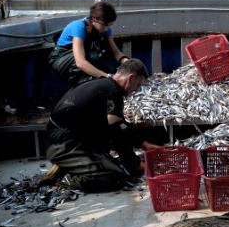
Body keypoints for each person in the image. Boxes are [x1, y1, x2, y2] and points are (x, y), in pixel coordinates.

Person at [40, 58, 161, 192]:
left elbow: (116, 127)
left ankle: (75, 164)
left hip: (59, 137)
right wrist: (136, 161)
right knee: (113, 178)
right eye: (137, 85)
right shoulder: (113, 91)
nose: (136, 90)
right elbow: (118, 129)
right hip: (61, 143)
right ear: (130, 78)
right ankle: (61, 177)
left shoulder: (102, 84)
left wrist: (142, 146)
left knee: (117, 158)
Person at [48, 1, 130, 88]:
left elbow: (116, 53)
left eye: (110, 25)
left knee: (111, 70)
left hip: (86, 57)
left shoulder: (105, 30)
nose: (107, 29)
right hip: (60, 60)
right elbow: (80, 62)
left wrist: (127, 63)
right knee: (93, 57)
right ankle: (75, 89)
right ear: (94, 19)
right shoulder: (78, 27)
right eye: (105, 25)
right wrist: (107, 76)